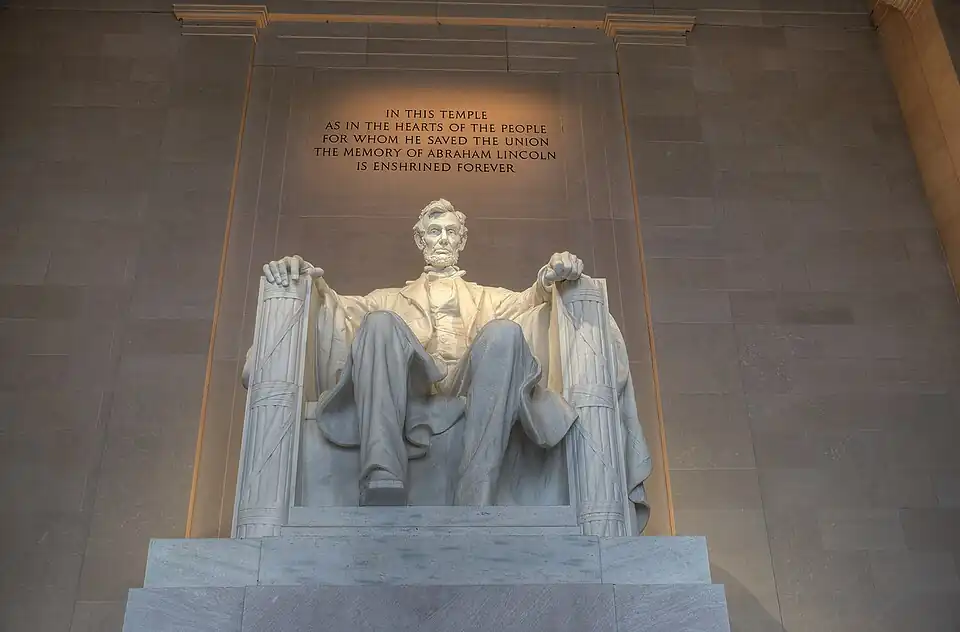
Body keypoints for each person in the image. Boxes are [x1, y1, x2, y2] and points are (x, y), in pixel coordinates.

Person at [262, 198, 582, 506]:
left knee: (505, 332)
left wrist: (551, 275)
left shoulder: (488, 298)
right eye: (434, 231)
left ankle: (477, 488)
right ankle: (382, 473)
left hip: (468, 378)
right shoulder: (387, 298)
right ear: (420, 240)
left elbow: (531, 299)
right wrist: (301, 277)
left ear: (461, 240)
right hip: (412, 380)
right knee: (379, 323)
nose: (443, 239)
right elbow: (336, 308)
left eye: (451, 231)